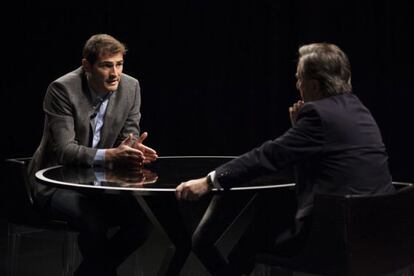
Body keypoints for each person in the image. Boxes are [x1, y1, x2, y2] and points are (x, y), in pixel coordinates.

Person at [176, 42, 395, 275]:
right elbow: (328, 162)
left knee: (248, 240)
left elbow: (267, 156)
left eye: (299, 79)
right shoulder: (359, 109)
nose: (297, 86)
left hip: (334, 238)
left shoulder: (318, 115)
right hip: (376, 234)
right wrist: (299, 131)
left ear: (314, 85)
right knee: (270, 220)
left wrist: (208, 181)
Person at [28, 34, 158, 276]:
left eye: (119, 64)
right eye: (106, 65)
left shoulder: (131, 87)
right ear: (87, 66)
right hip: (55, 182)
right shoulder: (62, 89)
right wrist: (111, 155)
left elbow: (128, 137)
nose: (114, 73)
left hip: (99, 184)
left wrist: (133, 149)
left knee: (142, 225)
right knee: (93, 224)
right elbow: (65, 150)